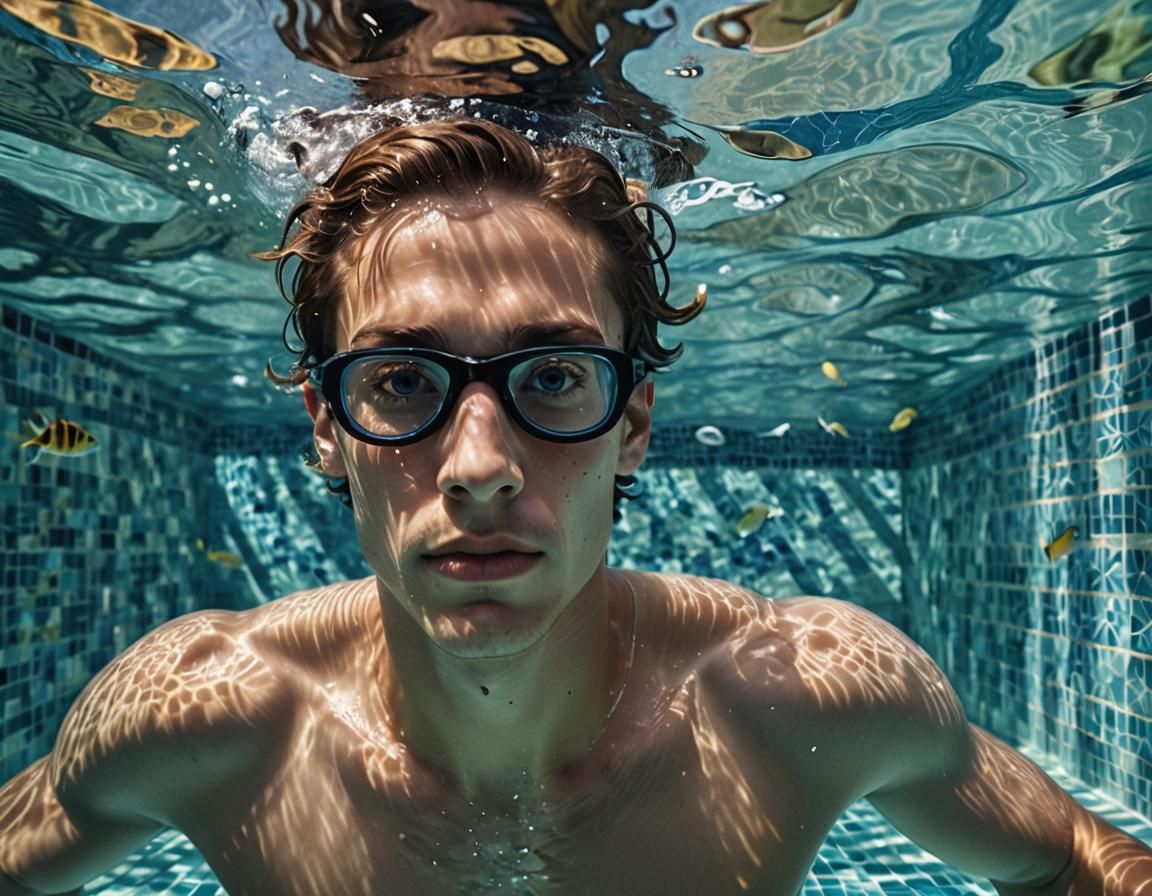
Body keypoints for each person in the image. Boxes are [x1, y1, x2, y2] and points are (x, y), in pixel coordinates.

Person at [1, 118, 1149, 896]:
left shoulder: (804, 693)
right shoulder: (208, 718)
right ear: (325, 426)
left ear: (632, 423)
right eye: (402, 381)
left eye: (550, 377)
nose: (481, 463)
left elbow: (1077, 860)